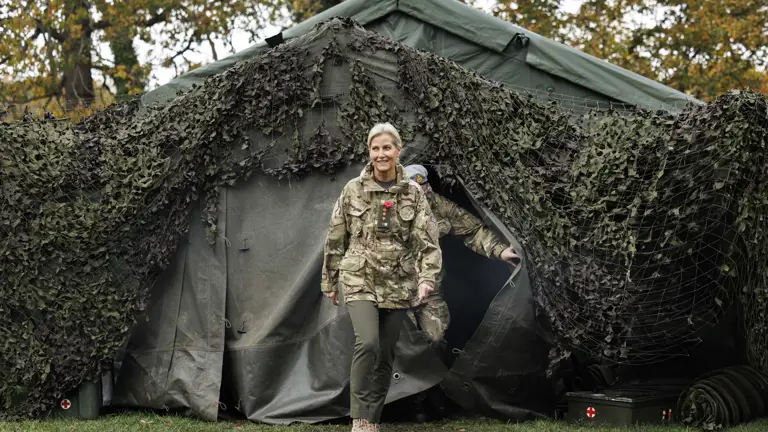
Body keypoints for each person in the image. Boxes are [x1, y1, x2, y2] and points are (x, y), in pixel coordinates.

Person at [321, 123, 442, 432]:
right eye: (375, 148)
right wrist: (330, 279)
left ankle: (372, 420)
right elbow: (336, 236)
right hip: (360, 274)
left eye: (387, 147)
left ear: (398, 151)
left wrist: (427, 278)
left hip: (399, 280)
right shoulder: (353, 189)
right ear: (369, 152)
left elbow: (427, 241)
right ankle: (359, 418)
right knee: (368, 342)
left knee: (386, 353)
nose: (381, 154)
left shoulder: (413, 193)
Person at [403, 164, 520, 353]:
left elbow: (472, 230)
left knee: (435, 339)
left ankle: (435, 376)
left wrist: (499, 250)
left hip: (430, 289)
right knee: (404, 346)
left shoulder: (438, 206)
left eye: (421, 191)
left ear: (427, 188)